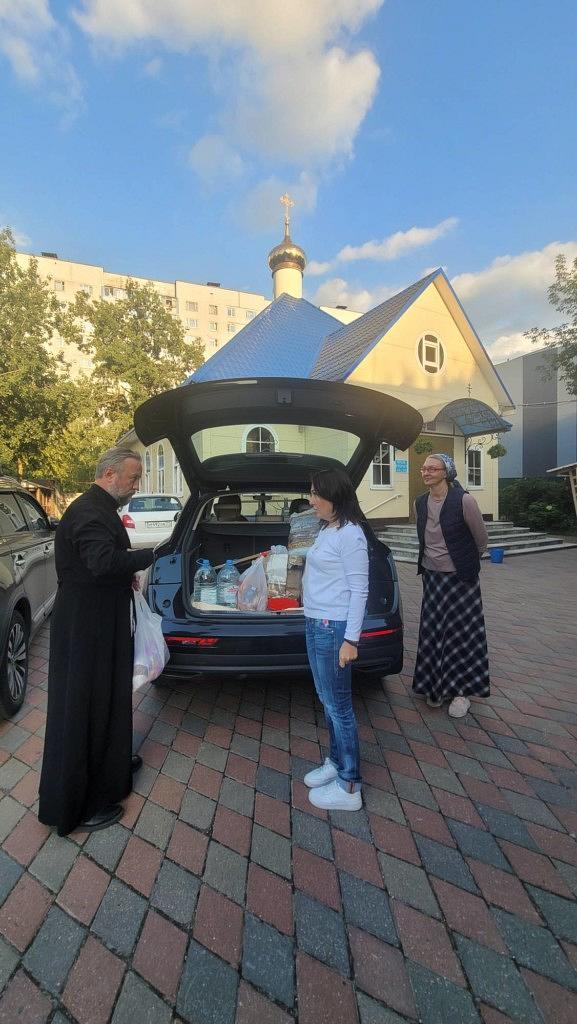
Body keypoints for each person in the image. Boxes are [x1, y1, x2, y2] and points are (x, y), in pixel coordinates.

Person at [38, 447, 155, 836]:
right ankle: (79, 805)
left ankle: (110, 768)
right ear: (109, 474)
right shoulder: (89, 510)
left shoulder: (101, 507)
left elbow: (103, 561)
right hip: (86, 626)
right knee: (85, 705)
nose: (136, 485)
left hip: (101, 618)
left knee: (108, 696)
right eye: (133, 478)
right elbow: (101, 562)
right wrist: (147, 556)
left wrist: (126, 574)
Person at [302, 467, 369, 811]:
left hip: (334, 628)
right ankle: (336, 761)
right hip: (316, 623)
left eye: (316, 493)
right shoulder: (328, 528)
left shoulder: (351, 534)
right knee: (326, 699)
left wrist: (351, 640)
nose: (311, 499)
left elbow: (360, 590)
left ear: (335, 496)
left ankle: (349, 785)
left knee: (339, 706)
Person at [412, 453, 490, 718]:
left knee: (461, 634)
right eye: (424, 468)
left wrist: (464, 563)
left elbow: (481, 539)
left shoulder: (464, 500)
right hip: (432, 577)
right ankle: (434, 688)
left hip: (461, 579)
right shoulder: (419, 502)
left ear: (446, 472)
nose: (426, 472)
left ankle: (461, 693)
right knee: (433, 631)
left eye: (432, 468)